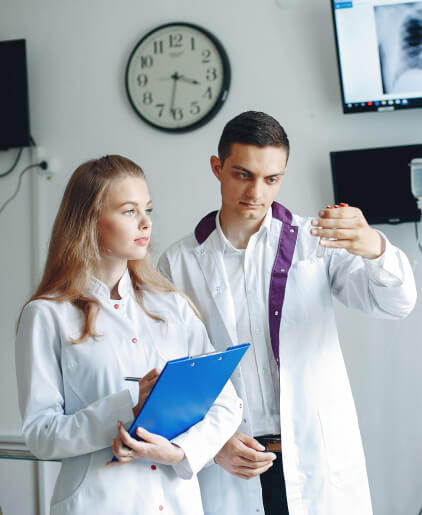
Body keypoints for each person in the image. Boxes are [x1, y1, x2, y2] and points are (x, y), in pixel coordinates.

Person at [158, 111, 417, 515]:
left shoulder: (317, 241)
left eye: (271, 179)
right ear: (217, 167)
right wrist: (213, 444)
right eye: (243, 175)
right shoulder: (179, 263)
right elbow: (170, 372)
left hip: (315, 456)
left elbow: (397, 303)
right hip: (234, 462)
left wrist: (374, 248)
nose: (256, 192)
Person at [15, 155, 242, 515]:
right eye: (129, 211)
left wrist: (179, 452)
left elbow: (226, 404)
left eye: (147, 209)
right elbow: (41, 435)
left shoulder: (173, 307)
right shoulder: (46, 315)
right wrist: (127, 406)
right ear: (90, 221)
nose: (145, 222)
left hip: (176, 503)